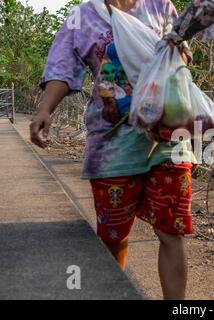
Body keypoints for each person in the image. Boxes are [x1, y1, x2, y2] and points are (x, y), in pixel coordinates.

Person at [29, 0, 196, 300]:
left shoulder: (160, 6)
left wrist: (174, 52)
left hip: (167, 136)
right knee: (113, 238)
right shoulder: (82, 17)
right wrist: (45, 109)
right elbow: (62, 67)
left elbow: (181, 56)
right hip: (113, 144)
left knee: (171, 232)